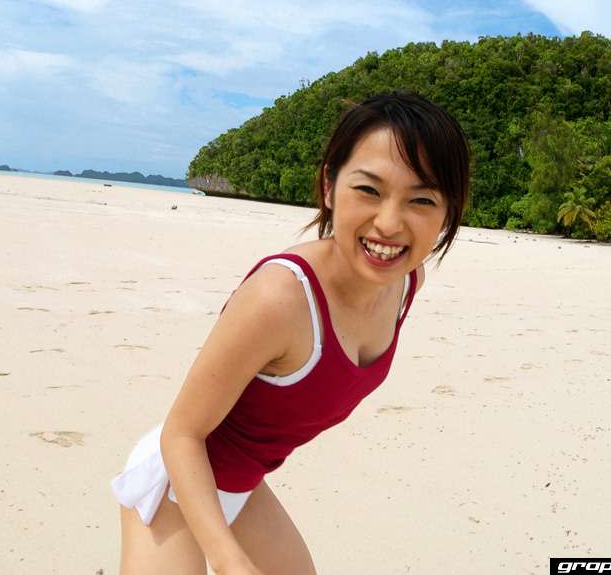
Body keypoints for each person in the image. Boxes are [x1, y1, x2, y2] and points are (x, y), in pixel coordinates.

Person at [111, 91, 471, 574]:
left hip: (242, 486)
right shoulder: (280, 298)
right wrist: (228, 558)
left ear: (447, 213)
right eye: (369, 190)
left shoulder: (406, 284)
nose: (389, 224)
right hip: (176, 486)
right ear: (329, 186)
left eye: (421, 200)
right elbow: (182, 433)